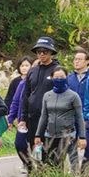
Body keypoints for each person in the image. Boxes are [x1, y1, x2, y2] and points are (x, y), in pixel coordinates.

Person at [19, 36, 61, 169]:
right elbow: (26, 95)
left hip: (51, 119)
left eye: (45, 51)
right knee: (37, 151)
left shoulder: (57, 70)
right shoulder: (33, 70)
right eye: (39, 51)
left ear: (51, 53)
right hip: (33, 118)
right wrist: (23, 118)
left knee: (53, 154)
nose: (42, 54)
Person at [35, 67, 86, 168]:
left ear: (66, 77)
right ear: (52, 78)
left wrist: (82, 137)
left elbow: (79, 117)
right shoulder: (47, 95)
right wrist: (38, 135)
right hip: (50, 135)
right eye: (56, 77)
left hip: (68, 135)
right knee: (53, 165)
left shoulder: (73, 96)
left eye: (61, 77)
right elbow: (44, 116)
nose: (59, 79)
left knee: (74, 165)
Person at [66, 48, 89, 172]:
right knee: (71, 146)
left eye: (80, 59)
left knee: (88, 147)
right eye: (75, 59)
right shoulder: (69, 78)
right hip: (71, 117)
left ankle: (84, 174)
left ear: (87, 62)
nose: (76, 62)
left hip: (87, 118)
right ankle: (75, 173)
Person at [7, 57, 33, 171]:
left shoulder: (39, 81)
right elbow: (14, 100)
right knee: (20, 144)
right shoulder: (19, 82)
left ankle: (39, 169)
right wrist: (10, 118)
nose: (24, 68)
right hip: (21, 118)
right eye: (22, 65)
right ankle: (29, 165)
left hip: (36, 118)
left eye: (27, 65)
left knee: (35, 145)